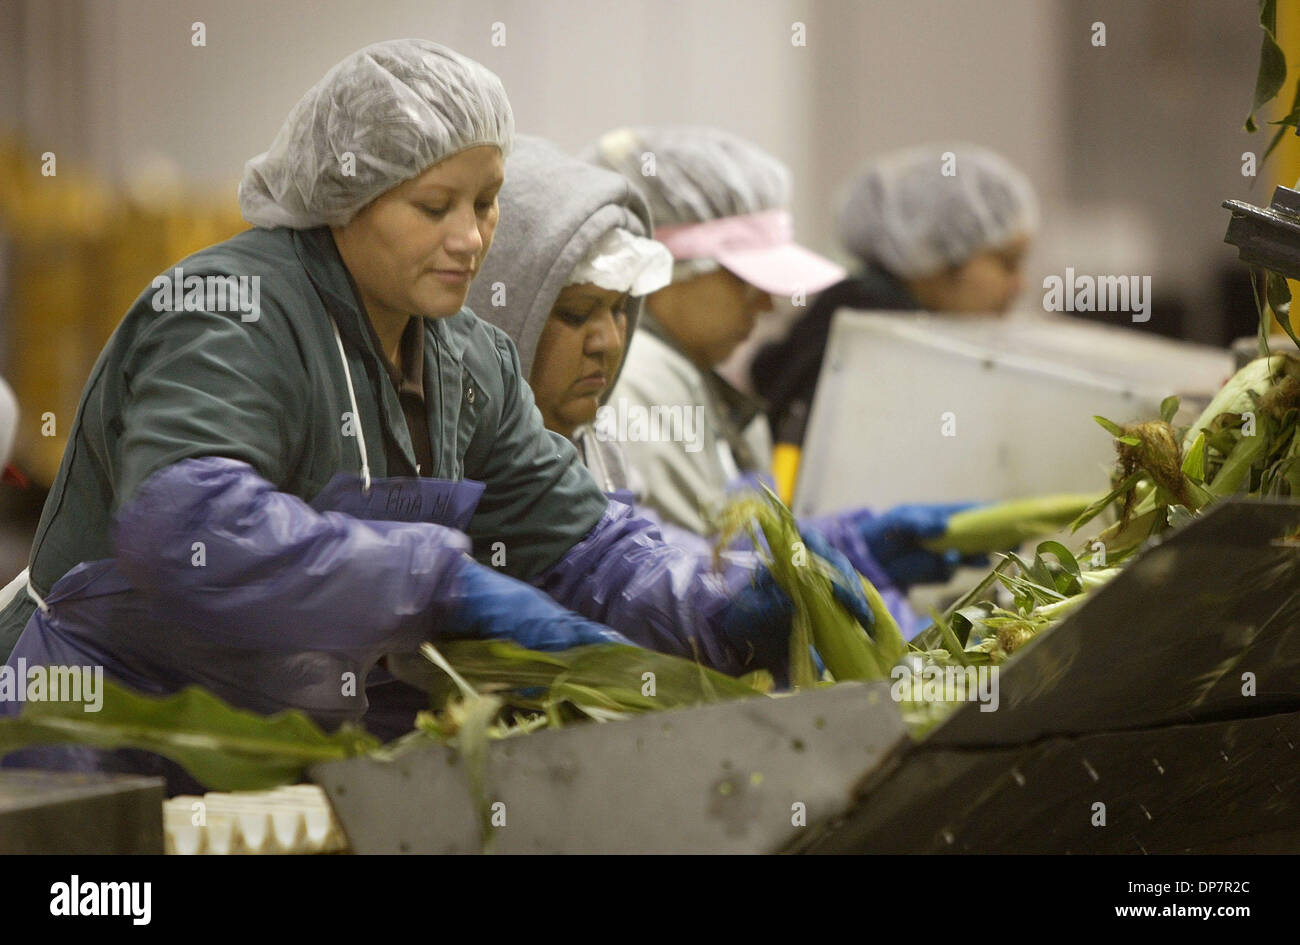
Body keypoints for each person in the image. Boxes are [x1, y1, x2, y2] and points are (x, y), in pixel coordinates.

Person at [0, 43, 871, 789]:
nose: (472, 238)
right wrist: (434, 577)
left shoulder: (468, 361)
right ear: (346, 195)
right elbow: (188, 527)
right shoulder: (226, 310)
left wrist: (718, 602)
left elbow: (580, 539)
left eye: (486, 202)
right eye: (435, 207)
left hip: (276, 748)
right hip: (101, 730)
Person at [470, 134, 929, 636]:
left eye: (621, 308)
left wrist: (831, 553)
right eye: (578, 313)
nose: (767, 305)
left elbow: (632, 554)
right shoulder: (634, 386)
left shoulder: (592, 426)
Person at [584, 126, 983, 606]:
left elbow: (728, 550)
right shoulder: (636, 380)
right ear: (662, 264)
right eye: (746, 281)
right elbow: (677, 578)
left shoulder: (691, 378)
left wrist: (849, 549)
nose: (768, 304)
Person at [752, 144, 1038, 451]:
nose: (1020, 285)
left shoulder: (860, 322)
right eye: (1007, 263)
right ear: (938, 253)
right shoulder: (869, 349)